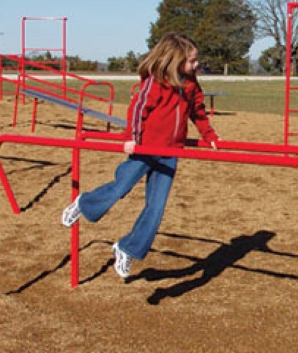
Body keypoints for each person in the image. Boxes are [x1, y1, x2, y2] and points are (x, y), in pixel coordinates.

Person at [61, 32, 219, 279]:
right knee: (120, 188)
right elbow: (138, 109)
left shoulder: (190, 84)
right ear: (174, 60)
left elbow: (198, 111)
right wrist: (130, 138)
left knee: (156, 209)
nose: (196, 64)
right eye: (191, 60)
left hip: (170, 152)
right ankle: (84, 203)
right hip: (145, 148)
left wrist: (209, 135)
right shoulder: (156, 82)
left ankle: (127, 248)